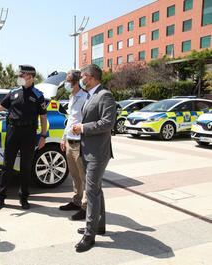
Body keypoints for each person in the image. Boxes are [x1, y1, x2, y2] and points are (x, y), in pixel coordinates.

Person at [0, 65, 47, 211]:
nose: (19, 77)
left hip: (29, 134)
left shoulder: (38, 95)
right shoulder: (13, 93)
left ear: (30, 76)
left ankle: (24, 198)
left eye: (21, 75)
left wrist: (43, 136)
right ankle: (0, 197)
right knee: (7, 165)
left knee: (25, 167)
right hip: (13, 131)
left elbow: (43, 118)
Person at [72, 64, 116, 252]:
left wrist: (83, 127)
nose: (81, 79)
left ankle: (89, 236)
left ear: (90, 77)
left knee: (91, 192)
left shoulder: (105, 95)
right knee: (96, 190)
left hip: (97, 153)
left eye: (82, 76)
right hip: (87, 150)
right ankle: (99, 225)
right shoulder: (91, 96)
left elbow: (107, 123)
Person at [58, 70, 88, 221]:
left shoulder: (85, 97)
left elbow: (86, 120)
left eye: (68, 81)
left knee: (84, 177)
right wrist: (63, 138)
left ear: (76, 82)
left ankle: (85, 208)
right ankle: (76, 201)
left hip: (80, 142)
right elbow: (70, 120)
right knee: (74, 175)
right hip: (69, 141)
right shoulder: (71, 97)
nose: (66, 84)